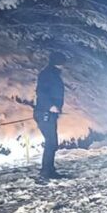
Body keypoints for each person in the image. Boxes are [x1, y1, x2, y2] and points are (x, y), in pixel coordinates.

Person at [34, 51, 66, 179]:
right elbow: (41, 92)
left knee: (52, 142)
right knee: (51, 142)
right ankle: (46, 171)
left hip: (49, 113)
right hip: (44, 113)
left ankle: (49, 169)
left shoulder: (53, 74)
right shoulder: (48, 74)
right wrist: (50, 106)